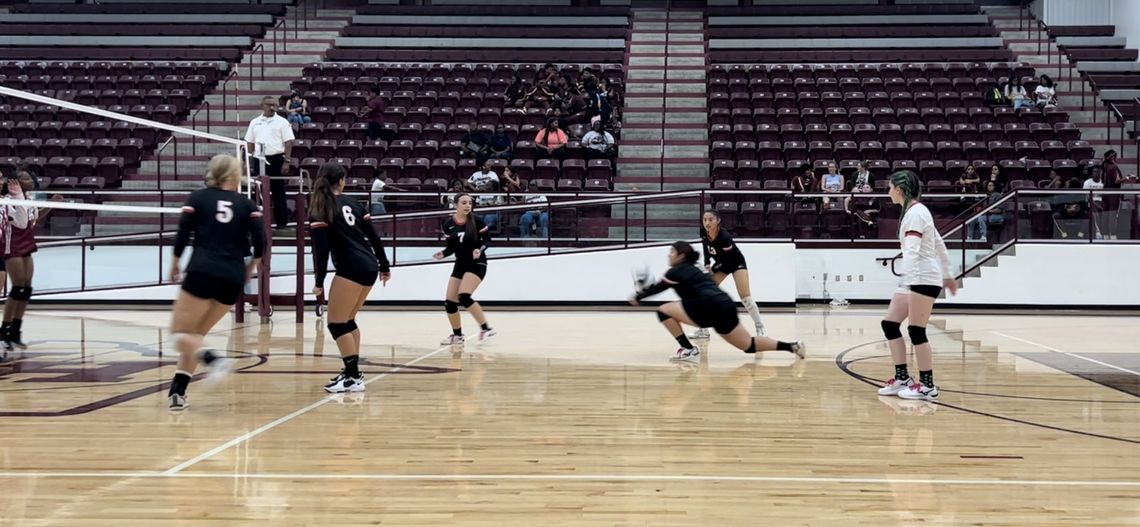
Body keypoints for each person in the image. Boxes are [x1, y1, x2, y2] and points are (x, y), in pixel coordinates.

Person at [166, 154, 266, 411]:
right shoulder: (247, 204)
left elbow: (183, 234)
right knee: (196, 336)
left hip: (202, 270)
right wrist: (251, 268)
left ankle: (215, 360)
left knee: (180, 333)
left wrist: (175, 262)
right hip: (233, 277)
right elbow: (261, 242)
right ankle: (178, 392)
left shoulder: (198, 198)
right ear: (235, 175)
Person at [628, 241, 804, 364]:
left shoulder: (675, 271)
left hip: (706, 307)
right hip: (725, 305)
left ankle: (689, 349)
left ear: (681, 255)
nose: (669, 254)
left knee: (663, 311)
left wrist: (637, 297)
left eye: (672, 251)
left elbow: (658, 288)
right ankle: (791, 346)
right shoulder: (695, 268)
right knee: (748, 346)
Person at [309, 162, 392, 393]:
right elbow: (374, 238)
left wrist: (318, 282)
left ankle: (354, 377)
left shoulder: (320, 207)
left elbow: (321, 251)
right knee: (348, 321)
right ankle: (351, 373)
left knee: (336, 324)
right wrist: (384, 266)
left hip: (350, 267)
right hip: (369, 266)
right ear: (342, 180)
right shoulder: (355, 204)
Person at [876, 170, 958, 401]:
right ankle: (903, 377)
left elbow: (912, 251)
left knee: (916, 330)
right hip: (915, 277)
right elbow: (939, 243)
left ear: (899, 189)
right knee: (890, 324)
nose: (888, 192)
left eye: (890, 187)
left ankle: (927, 385)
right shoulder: (914, 212)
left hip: (921, 277)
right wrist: (949, 274)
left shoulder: (916, 214)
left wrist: (910, 281)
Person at [689, 209, 766, 340]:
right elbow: (706, 247)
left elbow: (728, 261)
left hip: (735, 263)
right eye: (705, 220)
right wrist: (707, 263)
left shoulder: (724, 237)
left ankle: (760, 328)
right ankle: (703, 330)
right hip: (721, 263)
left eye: (710, 220)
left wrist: (713, 269)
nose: (707, 223)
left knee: (746, 298)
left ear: (718, 221)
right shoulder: (703, 232)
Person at [434, 193, 496, 346]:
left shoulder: (477, 221)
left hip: (477, 264)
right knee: (449, 302)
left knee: (464, 296)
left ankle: (486, 328)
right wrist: (443, 253)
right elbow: (452, 247)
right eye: (464, 202)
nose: (468, 205)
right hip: (460, 264)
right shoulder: (448, 223)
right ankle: (457, 336)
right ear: (456, 205)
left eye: (470, 202)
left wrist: (479, 250)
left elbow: (488, 241)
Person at [244, 95, 294, 230]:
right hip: (259, 158)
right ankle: (255, 223)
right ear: (262, 106)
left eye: (274, 105)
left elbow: (289, 142)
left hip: (276, 158)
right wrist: (248, 160)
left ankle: (281, 223)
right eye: (269, 105)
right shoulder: (255, 122)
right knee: (258, 191)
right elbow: (249, 141)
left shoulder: (282, 122)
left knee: (278, 191)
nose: (272, 108)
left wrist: (287, 161)